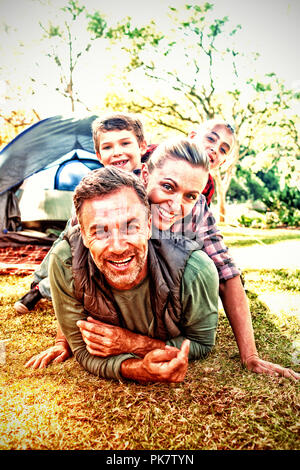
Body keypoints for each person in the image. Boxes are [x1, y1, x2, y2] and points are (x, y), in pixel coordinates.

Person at [25, 128, 300, 381]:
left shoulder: (196, 213)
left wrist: (249, 355)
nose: (175, 205)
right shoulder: (112, 197)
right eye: (167, 187)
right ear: (145, 177)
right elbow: (73, 259)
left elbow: (227, 273)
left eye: (190, 195)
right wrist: (66, 338)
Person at [15, 115, 231, 313]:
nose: (214, 150)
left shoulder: (205, 187)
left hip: (151, 239)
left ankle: (44, 285)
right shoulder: (158, 158)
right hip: (110, 214)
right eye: (211, 140)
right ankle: (41, 283)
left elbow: (198, 223)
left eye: (223, 150)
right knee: (71, 242)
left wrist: (220, 274)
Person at [43, 160, 219, 382]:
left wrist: (132, 343)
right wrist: (137, 369)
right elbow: (82, 349)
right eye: (100, 231)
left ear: (148, 226)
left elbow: (201, 343)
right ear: (84, 236)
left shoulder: (194, 269)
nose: (118, 247)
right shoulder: (65, 261)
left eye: (131, 226)